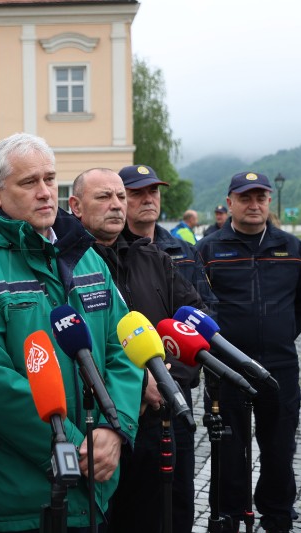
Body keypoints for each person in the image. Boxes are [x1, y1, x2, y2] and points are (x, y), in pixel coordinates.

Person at [0, 133, 142, 532]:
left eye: (49, 179)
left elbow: (123, 348)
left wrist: (114, 429)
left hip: (95, 480)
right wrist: (73, 444)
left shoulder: (87, 260)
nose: (45, 192)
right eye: (28, 182)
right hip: (19, 494)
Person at [68, 168, 208, 532]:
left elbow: (193, 326)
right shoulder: (62, 265)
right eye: (104, 197)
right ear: (76, 207)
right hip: (96, 424)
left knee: (156, 517)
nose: (116, 205)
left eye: (119, 197)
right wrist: (133, 385)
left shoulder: (154, 259)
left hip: (155, 418)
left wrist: (165, 382)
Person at [196, 171, 301, 533]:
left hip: (280, 366)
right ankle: (229, 517)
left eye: (260, 198)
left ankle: (278, 515)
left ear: (268, 202)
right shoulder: (209, 250)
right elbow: (201, 307)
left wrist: (279, 336)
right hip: (226, 369)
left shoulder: (293, 249)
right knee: (229, 452)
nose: (254, 205)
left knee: (280, 449)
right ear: (230, 202)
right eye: (245, 198)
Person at [118, 164, 217, 315]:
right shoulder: (111, 253)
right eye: (137, 193)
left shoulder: (186, 252)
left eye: (153, 191)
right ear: (120, 200)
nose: (148, 199)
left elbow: (207, 308)